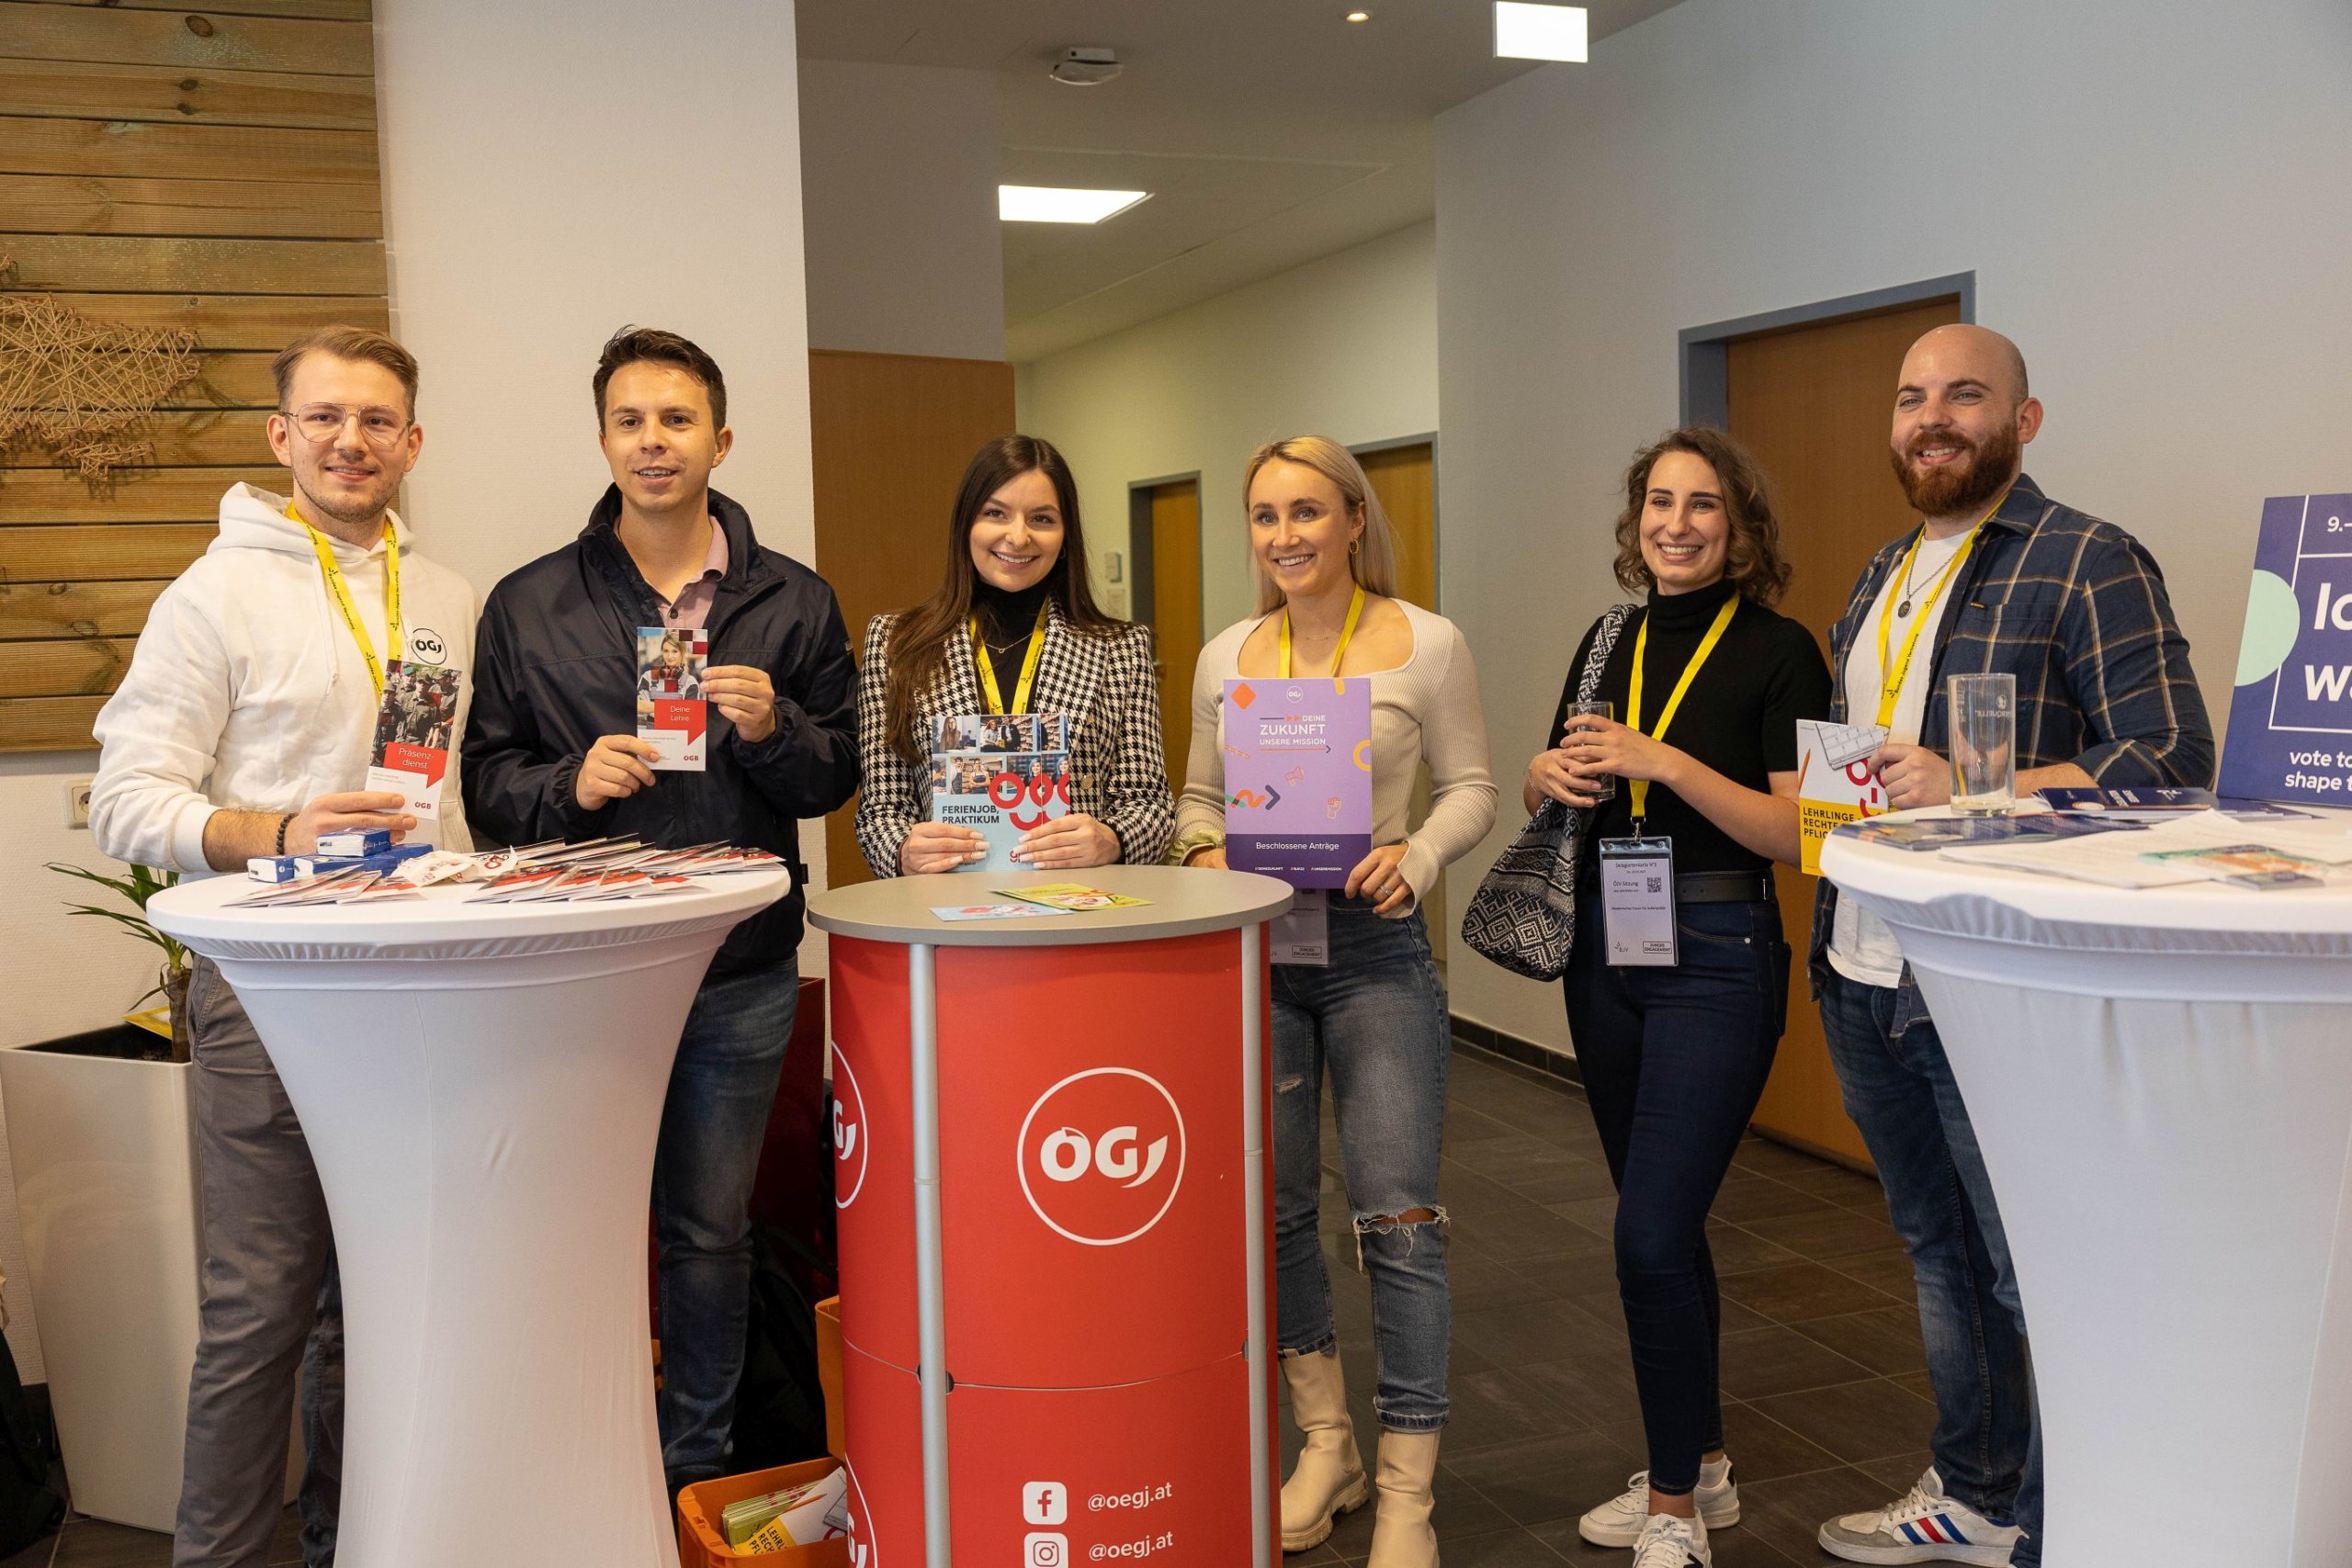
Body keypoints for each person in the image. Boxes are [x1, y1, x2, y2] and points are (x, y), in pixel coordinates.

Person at [1810, 324, 2214, 1568]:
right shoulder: (1881, 569)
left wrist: (1981, 783)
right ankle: (1980, 1488)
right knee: (1937, 1248)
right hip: (1864, 962)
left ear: (2022, 421)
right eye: (1913, 397)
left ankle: (2068, 1514)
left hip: (1990, 974)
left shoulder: (2088, 556)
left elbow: (2173, 761)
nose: (1934, 417)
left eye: (1965, 395)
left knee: (2026, 1259)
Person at [89, 324, 478, 1568]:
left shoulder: (454, 596)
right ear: (282, 436)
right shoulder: (214, 592)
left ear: (411, 442)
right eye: (325, 417)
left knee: (375, 1312)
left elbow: (452, 799)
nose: (351, 441)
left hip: (421, 991)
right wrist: (279, 829)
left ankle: (344, 1543)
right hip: (269, 995)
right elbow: (125, 802)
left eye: (376, 420)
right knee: (259, 1311)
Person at [460, 325, 859, 1495]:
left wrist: (775, 729)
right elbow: (487, 791)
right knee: (567, 1226)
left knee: (709, 1233)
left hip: (737, 972)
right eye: (631, 421)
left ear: (720, 440)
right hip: (582, 974)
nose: (653, 442)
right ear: (602, 440)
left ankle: (690, 1471)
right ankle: (577, 1458)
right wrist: (564, 785)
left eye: (677, 421)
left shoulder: (794, 599)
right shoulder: (530, 603)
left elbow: (832, 780)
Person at [1172, 436, 1495, 1568]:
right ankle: (1326, 1445)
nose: (1285, 536)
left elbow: (1471, 788)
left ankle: (1408, 1495)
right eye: (1264, 517)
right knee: (1273, 1214)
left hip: (1376, 948)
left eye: (1307, 511)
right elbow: (1198, 797)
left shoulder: (1426, 642)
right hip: (1262, 948)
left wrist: (1417, 856)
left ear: (1355, 519)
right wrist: (1204, 847)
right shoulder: (1229, 653)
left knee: (1397, 1222)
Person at [1527, 429, 1831, 1568]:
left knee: (1646, 1231)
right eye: (1659, 502)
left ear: (1741, 527)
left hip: (1715, 942)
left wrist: (1663, 763)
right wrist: (1542, 775)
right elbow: (1563, 770)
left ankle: (1669, 1512)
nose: (1677, 523)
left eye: (1704, 505)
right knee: (1667, 1225)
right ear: (1635, 518)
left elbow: (1802, 834)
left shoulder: (1783, 650)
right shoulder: (1605, 638)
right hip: (1604, 939)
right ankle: (1700, 1464)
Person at [854, 434, 1172, 876]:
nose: (1018, 537)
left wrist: (1112, 839)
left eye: (1042, 518)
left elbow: (1151, 807)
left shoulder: (1121, 648)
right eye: (995, 513)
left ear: (1065, 535)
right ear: (967, 523)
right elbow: (880, 812)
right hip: (946, 916)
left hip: (1079, 911)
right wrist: (903, 851)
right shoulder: (896, 642)